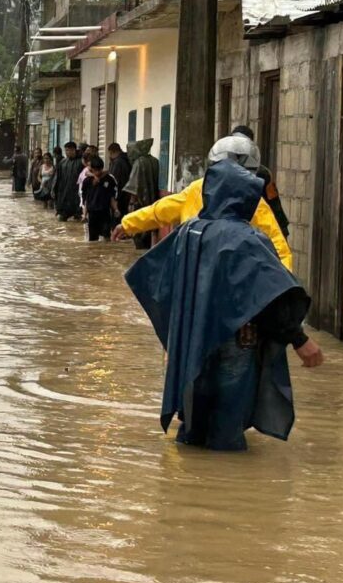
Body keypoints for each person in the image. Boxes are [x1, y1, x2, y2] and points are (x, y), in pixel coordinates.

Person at [124, 145, 324, 452]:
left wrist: (175, 335)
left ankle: (185, 489)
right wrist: (299, 340)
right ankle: (226, 487)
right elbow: (269, 297)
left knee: (192, 425)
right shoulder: (249, 240)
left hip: (192, 343)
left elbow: (154, 279)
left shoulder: (188, 234)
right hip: (236, 343)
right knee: (227, 426)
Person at [112, 135, 293, 270]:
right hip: (198, 278)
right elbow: (159, 211)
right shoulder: (197, 191)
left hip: (222, 283)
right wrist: (128, 224)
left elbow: (277, 247)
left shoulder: (253, 202)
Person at [231, 125, 290, 238]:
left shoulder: (262, 174)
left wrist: (282, 233)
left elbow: (274, 205)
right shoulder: (222, 170)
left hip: (256, 230)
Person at [117, 139, 161, 249]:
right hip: (154, 201)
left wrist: (131, 203)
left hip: (140, 202)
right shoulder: (155, 161)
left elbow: (134, 186)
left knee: (139, 232)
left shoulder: (139, 163)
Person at [81, 155, 119, 242]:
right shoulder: (87, 181)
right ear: (92, 169)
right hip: (92, 213)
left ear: (102, 168)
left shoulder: (109, 179)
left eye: (99, 170)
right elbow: (86, 199)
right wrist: (84, 214)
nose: (98, 172)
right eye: (95, 170)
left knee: (106, 236)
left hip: (105, 212)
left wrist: (116, 209)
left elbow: (112, 197)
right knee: (93, 239)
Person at [54, 142, 84, 221]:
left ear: (74, 150)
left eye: (69, 150)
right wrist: (54, 190)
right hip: (65, 194)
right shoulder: (62, 162)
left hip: (77, 195)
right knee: (61, 219)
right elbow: (58, 178)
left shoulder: (81, 162)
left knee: (78, 219)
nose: (67, 152)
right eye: (66, 150)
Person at [107, 142, 132, 214]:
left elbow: (114, 180)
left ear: (112, 152)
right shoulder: (127, 159)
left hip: (119, 195)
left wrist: (114, 196)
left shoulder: (117, 163)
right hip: (126, 193)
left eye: (110, 153)